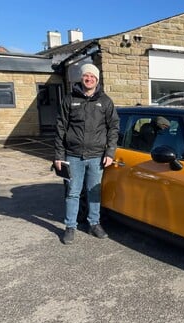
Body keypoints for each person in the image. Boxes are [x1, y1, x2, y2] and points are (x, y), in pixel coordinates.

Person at [54, 63, 120, 245]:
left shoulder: (105, 101)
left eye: (92, 76)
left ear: (97, 79)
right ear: (81, 78)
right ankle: (70, 227)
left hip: (97, 156)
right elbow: (60, 127)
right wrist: (59, 155)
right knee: (73, 193)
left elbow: (114, 127)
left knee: (94, 192)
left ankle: (94, 223)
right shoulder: (69, 99)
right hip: (73, 155)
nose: (89, 78)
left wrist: (110, 151)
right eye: (86, 76)